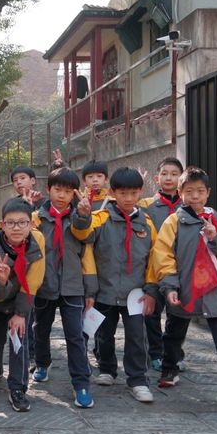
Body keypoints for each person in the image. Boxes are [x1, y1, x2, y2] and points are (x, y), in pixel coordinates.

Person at [152, 167, 217, 425]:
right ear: (180, 193)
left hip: (216, 293)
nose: (195, 196)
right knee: (174, 332)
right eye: (189, 192)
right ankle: (170, 366)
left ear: (208, 193)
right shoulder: (173, 222)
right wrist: (170, 286)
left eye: (200, 191)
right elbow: (163, 256)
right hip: (185, 290)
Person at [72, 167, 158, 403]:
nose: (128, 198)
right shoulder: (101, 218)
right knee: (103, 333)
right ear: (112, 193)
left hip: (135, 293)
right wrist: (82, 216)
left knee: (136, 336)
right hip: (105, 289)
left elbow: (155, 259)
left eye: (133, 193)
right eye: (123, 193)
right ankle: (107, 369)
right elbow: (82, 235)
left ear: (140, 192)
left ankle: (138, 380)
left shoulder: (147, 223)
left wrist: (151, 290)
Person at [30, 167, 97, 408]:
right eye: (57, 189)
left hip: (72, 286)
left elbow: (86, 248)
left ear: (74, 194)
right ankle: (42, 363)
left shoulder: (79, 218)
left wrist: (90, 290)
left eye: (68, 191)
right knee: (41, 328)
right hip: (44, 284)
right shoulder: (37, 218)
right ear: (48, 189)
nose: (61, 195)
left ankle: (81, 383)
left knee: (75, 336)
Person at [0, 199, 46, 412]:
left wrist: (20, 314)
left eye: (22, 222)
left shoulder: (37, 240)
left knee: (19, 344)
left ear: (31, 224)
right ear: (2, 225)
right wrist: (2, 281)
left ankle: (17, 387)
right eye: (11, 223)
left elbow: (33, 281)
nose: (17, 228)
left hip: (22, 300)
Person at [139, 157, 185, 372]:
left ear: (181, 178)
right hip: (153, 269)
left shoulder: (187, 207)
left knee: (178, 315)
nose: (169, 178)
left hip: (181, 269)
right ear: (157, 178)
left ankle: (174, 354)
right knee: (152, 314)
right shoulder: (146, 205)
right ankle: (155, 354)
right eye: (164, 173)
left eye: (174, 174)